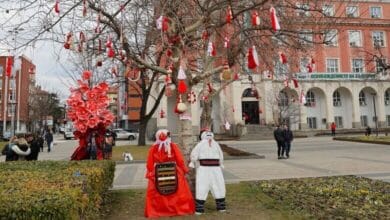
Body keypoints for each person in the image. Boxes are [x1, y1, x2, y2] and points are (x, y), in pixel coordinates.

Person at [144, 129, 195, 218]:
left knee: (156, 192)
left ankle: (159, 210)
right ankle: (177, 208)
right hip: (174, 171)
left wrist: (150, 173)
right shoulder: (172, 146)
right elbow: (180, 160)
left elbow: (149, 163)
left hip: (158, 172)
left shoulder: (153, 148)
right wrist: (184, 170)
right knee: (178, 191)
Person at [189, 129, 226, 215]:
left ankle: (221, 206)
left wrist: (221, 163)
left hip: (216, 169)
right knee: (202, 186)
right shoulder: (200, 145)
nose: (208, 134)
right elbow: (194, 153)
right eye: (207, 133)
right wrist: (193, 160)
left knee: (218, 184)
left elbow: (220, 154)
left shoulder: (216, 144)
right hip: (204, 168)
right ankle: (199, 208)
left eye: (210, 133)